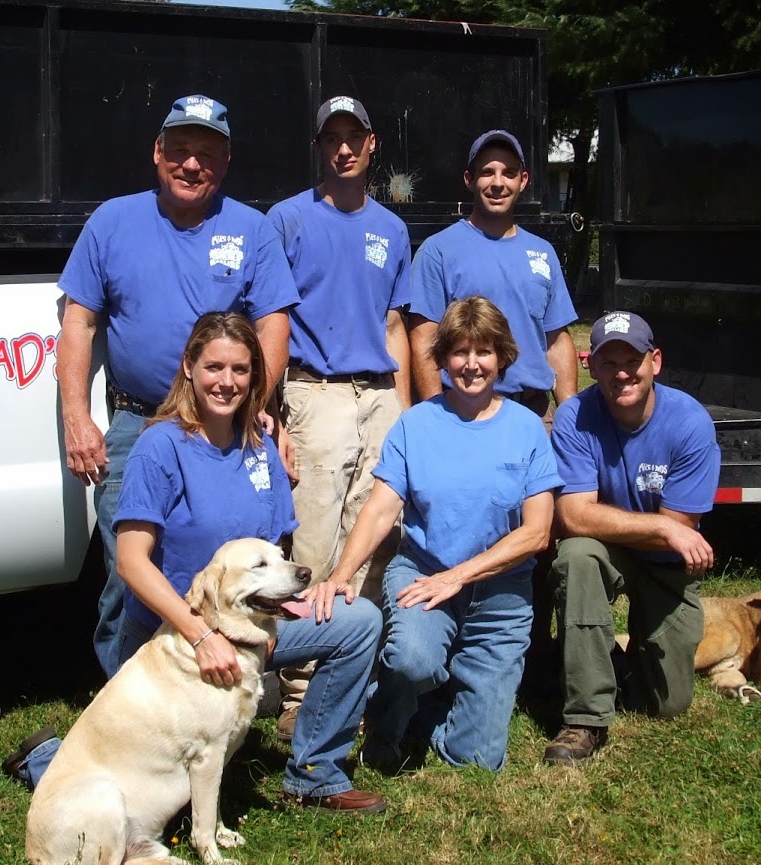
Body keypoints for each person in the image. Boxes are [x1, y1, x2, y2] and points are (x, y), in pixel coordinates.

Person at [4, 313, 385, 814]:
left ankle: (315, 775)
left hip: (249, 625)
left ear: (255, 376)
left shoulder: (260, 447)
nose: (227, 382)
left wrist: (294, 600)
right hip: (172, 634)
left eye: (241, 370)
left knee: (359, 624)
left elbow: (269, 554)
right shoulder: (159, 447)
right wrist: (202, 636)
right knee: (145, 789)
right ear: (189, 367)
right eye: (214, 367)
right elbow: (131, 564)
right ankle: (47, 760)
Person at [56, 94, 299, 677]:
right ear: (157, 154)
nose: (193, 165)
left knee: (219, 571)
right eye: (182, 151)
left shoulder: (252, 229)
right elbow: (78, 322)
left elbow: (274, 325)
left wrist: (258, 412)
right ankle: (124, 711)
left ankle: (218, 697)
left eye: (207, 154)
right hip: (137, 425)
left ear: (226, 162)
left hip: (224, 432)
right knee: (128, 576)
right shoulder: (111, 221)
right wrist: (76, 416)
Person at [307, 297, 562, 772]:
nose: (471, 364)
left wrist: (460, 577)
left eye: (484, 352)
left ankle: (434, 709)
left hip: (501, 592)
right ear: (442, 358)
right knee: (411, 660)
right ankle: (388, 717)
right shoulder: (416, 424)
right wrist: (341, 573)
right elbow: (381, 509)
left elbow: (537, 533)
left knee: (479, 759)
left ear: (502, 357)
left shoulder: (528, 428)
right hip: (425, 576)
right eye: (459, 352)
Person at [266, 95, 412, 739]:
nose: (344, 148)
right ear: (319, 146)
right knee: (317, 543)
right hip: (314, 394)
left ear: (372, 144)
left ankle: (359, 676)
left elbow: (394, 321)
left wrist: (404, 409)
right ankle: (301, 685)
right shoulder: (287, 220)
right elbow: (266, 317)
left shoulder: (393, 229)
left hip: (379, 394)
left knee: (375, 539)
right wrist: (270, 409)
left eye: (355, 137)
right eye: (333, 138)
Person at [407, 129, 579, 653]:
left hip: (529, 415)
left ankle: (535, 649)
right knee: (466, 525)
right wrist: (431, 410)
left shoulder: (542, 254)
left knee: (538, 534)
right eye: (486, 171)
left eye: (508, 172)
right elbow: (423, 337)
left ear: (525, 182)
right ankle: (453, 638)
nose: (497, 181)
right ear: (469, 180)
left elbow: (556, 338)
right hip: (465, 411)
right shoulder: (439, 250)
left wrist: (568, 414)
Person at [543, 310, 721, 765]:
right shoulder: (574, 416)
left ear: (655, 361)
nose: (622, 373)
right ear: (590, 365)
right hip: (612, 550)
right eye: (608, 362)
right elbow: (573, 517)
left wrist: (669, 529)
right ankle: (586, 717)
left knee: (667, 704)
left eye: (632, 360)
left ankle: (621, 662)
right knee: (578, 556)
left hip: (666, 566)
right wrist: (661, 525)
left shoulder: (690, 423)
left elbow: (682, 527)